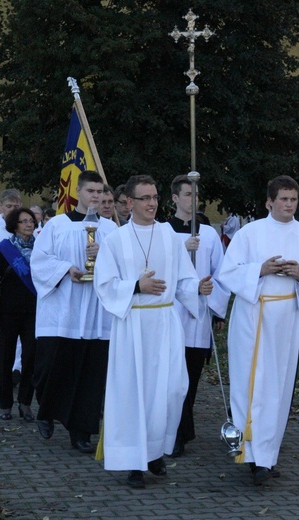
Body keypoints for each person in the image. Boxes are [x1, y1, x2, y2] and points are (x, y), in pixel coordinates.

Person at [94, 174, 213, 489]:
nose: (151, 204)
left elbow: (184, 278)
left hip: (164, 323)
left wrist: (197, 287)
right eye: (144, 198)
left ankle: (154, 451)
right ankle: (134, 463)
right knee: (134, 394)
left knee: (171, 390)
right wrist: (136, 286)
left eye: (155, 197)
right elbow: (103, 284)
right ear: (129, 202)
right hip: (133, 325)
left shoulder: (169, 236)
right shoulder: (115, 240)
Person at [220, 175, 299, 485]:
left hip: (284, 318)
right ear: (270, 201)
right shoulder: (250, 233)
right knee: (250, 384)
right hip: (252, 316)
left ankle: (266, 457)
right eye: (283, 199)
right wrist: (260, 269)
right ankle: (250, 452)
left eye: (293, 200)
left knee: (279, 388)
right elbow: (227, 272)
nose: (288, 205)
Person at [30, 170, 117, 453]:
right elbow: (40, 261)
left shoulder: (111, 230)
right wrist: (67, 269)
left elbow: (123, 265)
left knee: (90, 374)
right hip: (62, 311)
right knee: (50, 367)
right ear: (78, 192)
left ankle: (81, 432)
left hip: (95, 313)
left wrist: (103, 256)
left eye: (99, 192)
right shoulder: (57, 225)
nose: (95, 196)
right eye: (90, 191)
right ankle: (45, 409)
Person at [168, 175, 230, 457]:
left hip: (198, 318)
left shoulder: (209, 234)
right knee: (171, 378)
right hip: (170, 314)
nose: (193, 200)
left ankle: (182, 430)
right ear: (174, 199)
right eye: (187, 194)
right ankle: (172, 431)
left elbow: (221, 273)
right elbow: (154, 266)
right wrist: (182, 249)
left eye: (196, 195)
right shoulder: (162, 232)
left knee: (190, 377)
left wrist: (217, 310)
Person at [0, 208, 38, 421]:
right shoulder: (3, 250)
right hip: (6, 313)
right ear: (15, 225)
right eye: (24, 221)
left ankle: (25, 403)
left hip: (33, 313)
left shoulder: (41, 249)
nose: (29, 224)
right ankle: (5, 406)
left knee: (30, 357)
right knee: (5, 360)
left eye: (31, 221)